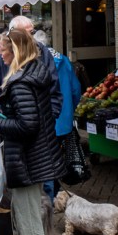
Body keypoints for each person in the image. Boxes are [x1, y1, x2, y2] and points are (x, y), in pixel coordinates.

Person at [0, 29, 66, 235]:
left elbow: (27, 125)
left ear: (16, 51)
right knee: (28, 215)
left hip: (26, 159)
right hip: (36, 157)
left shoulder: (21, 82)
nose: (0, 55)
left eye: (3, 50)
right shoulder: (35, 75)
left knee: (27, 218)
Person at [33, 30, 82, 201]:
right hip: (63, 119)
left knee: (45, 158)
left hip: (45, 119)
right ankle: (54, 188)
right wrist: (70, 110)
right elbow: (76, 89)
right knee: (55, 155)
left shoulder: (36, 62)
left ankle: (50, 194)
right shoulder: (64, 60)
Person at [0, 16, 62, 119]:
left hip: (39, 123)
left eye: (32, 32)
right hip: (12, 121)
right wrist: (1, 115)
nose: (31, 36)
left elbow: (54, 87)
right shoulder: (4, 55)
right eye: (26, 33)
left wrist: (51, 115)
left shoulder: (43, 52)